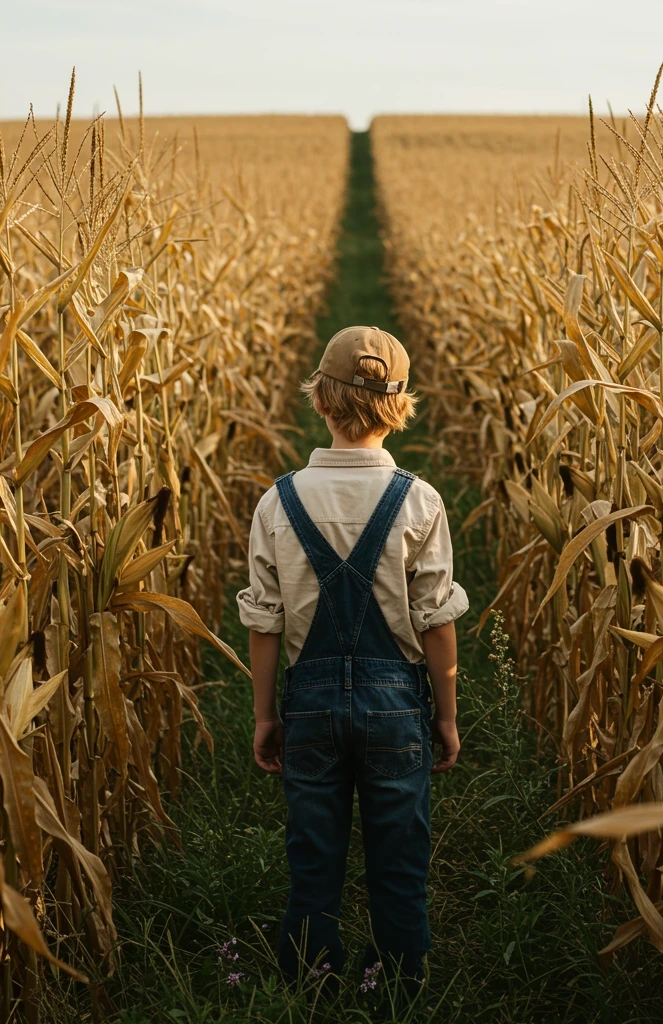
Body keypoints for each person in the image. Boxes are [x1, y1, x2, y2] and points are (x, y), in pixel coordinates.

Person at [236, 325, 468, 998]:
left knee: (313, 854)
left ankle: (311, 980)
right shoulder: (419, 500)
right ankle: (401, 983)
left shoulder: (277, 501)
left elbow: (265, 620)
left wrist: (263, 716)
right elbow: (436, 622)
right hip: (397, 708)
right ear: (398, 407)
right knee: (400, 856)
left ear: (322, 400)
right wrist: (446, 719)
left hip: (308, 705)